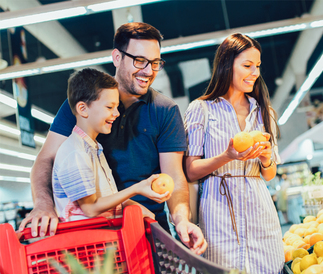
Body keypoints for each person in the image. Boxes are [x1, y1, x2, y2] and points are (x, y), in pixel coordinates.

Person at [19, 22, 207, 255]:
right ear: (117, 57)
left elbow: (174, 176)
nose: (149, 71)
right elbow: (45, 159)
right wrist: (43, 205)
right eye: (140, 61)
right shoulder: (84, 104)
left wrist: (181, 220)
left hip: (147, 233)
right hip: (92, 237)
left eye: (155, 63)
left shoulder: (164, 110)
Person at [183, 33, 284, 274]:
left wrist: (266, 158)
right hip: (217, 213)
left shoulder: (264, 112)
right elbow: (191, 170)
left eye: (257, 66)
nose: (254, 73)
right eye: (247, 66)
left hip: (260, 212)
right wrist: (227, 156)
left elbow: (269, 175)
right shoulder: (202, 109)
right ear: (227, 65)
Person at [53, 68, 166, 222]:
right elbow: (90, 208)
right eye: (109, 107)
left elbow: (106, 197)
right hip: (89, 242)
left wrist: (135, 207)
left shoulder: (93, 148)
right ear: (83, 109)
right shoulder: (76, 153)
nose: (117, 113)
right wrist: (136, 189)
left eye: (116, 107)